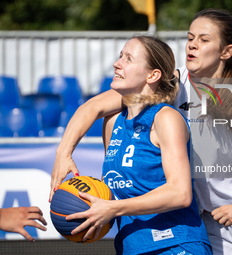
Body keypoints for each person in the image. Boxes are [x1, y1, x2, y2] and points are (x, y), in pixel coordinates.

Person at [50, 9, 232, 255]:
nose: (192, 45)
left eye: (204, 40)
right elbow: (93, 107)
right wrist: (64, 152)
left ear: (227, 51)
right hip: (212, 221)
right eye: (190, 38)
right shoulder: (171, 83)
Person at [64, 36, 212, 254]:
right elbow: (116, 194)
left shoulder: (165, 118)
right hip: (131, 246)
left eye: (129, 59)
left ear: (153, 75)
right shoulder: (113, 123)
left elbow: (180, 193)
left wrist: (112, 209)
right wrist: (94, 213)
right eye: (119, 56)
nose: (117, 63)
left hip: (176, 244)